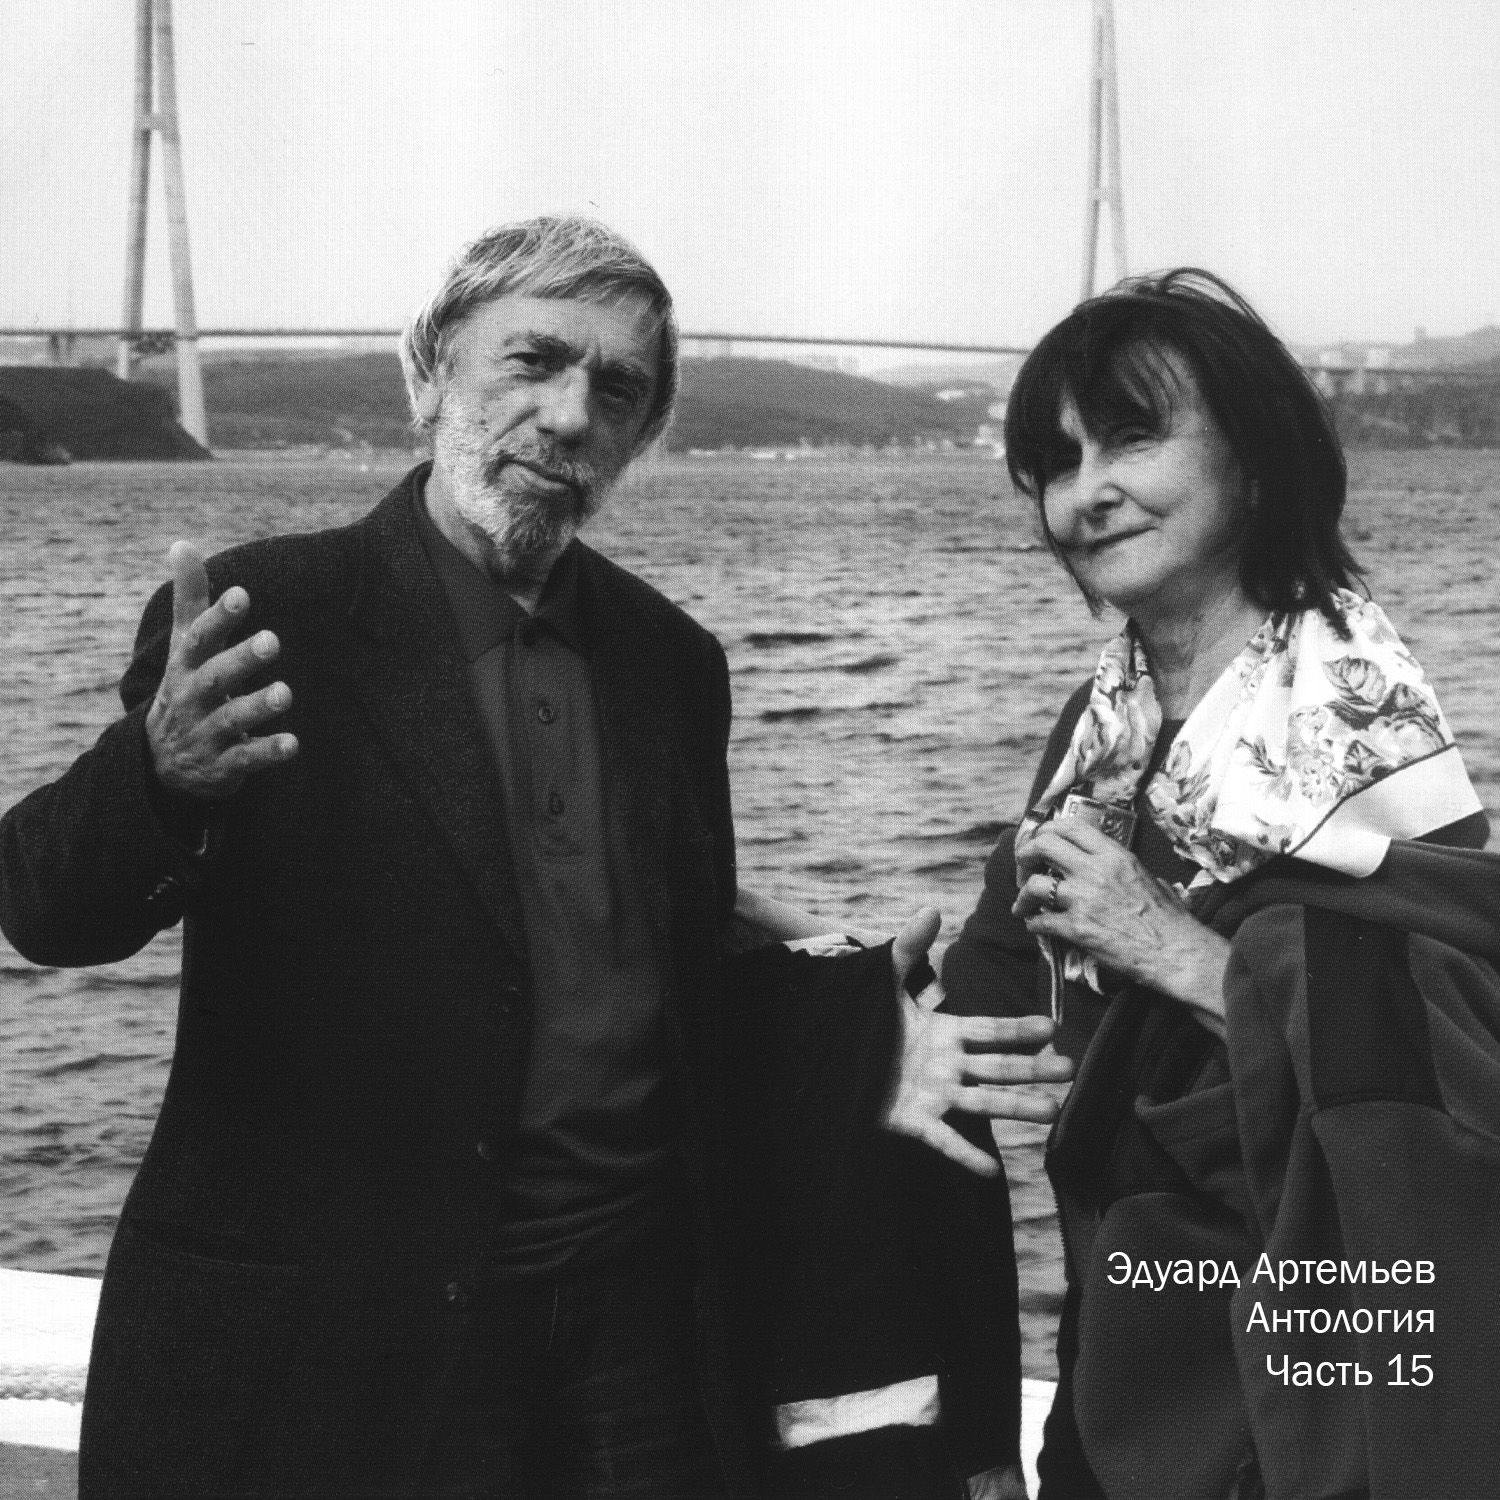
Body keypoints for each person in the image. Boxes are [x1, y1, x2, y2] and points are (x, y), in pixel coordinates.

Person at [0, 216, 1069, 1500]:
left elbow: (654, 965)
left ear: (641, 436)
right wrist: (160, 773)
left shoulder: (674, 663)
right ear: (429, 373)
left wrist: (857, 1024)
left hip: (632, 1325)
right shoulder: (267, 617)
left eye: (617, 390)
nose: (569, 415)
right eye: (534, 361)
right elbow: (48, 907)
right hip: (340, 1331)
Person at [941, 269, 1500, 1499]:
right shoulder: (1101, 733)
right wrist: (883, 1019)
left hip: (1317, 1394)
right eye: (1057, 461)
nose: (1087, 491)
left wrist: (1176, 953)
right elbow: (993, 990)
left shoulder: (1359, 730)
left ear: (1255, 462)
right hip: (1125, 1363)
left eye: (1132, 436)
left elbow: (1463, 1070)